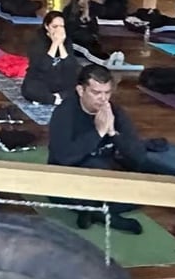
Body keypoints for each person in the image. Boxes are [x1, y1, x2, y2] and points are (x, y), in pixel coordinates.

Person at [46, 65, 157, 235]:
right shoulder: (64, 113)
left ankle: (93, 212)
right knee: (91, 169)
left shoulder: (115, 112)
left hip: (103, 179)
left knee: (146, 190)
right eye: (96, 93)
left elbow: (138, 157)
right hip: (69, 178)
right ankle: (102, 212)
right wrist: (98, 132)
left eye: (107, 93)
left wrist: (112, 132)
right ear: (81, 90)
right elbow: (63, 158)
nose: (103, 99)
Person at [21, 11, 79, 106]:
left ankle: (53, 98)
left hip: (60, 80)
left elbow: (70, 66)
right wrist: (55, 44)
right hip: (41, 80)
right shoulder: (37, 41)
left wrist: (60, 44)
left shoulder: (67, 40)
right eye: (55, 26)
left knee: (79, 86)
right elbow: (42, 67)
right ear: (46, 26)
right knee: (29, 89)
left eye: (61, 26)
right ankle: (55, 99)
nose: (59, 30)